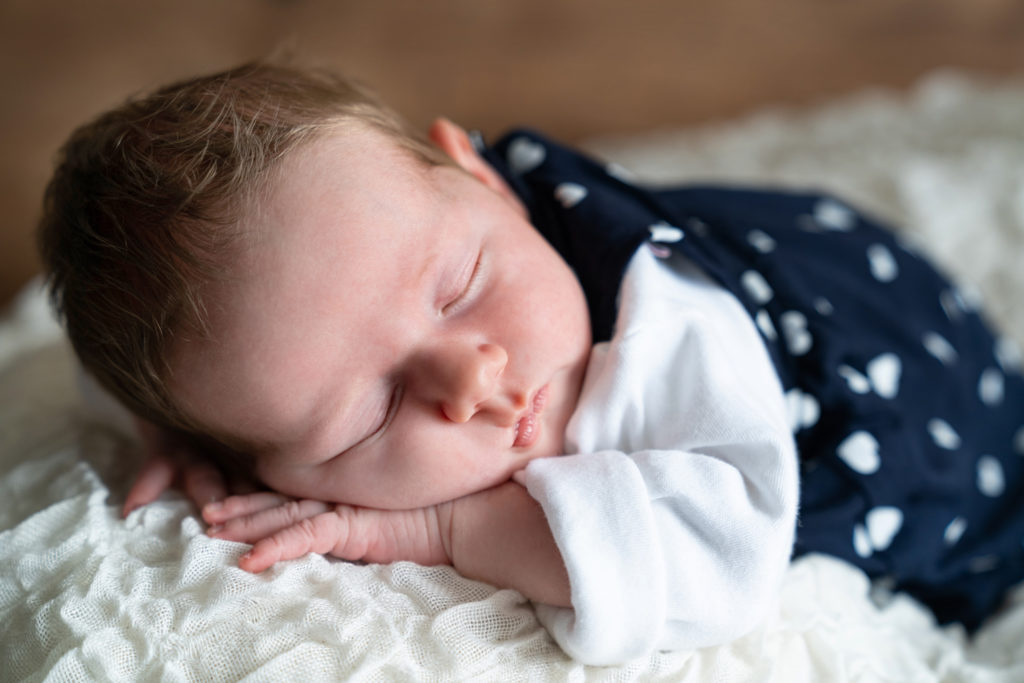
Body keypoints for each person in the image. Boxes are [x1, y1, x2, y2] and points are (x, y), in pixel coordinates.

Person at [38, 61, 1024, 665]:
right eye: (369, 412)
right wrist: (165, 429)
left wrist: (437, 525)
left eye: (460, 285)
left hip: (904, 394)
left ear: (480, 175)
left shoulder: (670, 346)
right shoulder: (289, 331)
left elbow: (720, 556)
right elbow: (143, 346)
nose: (469, 381)